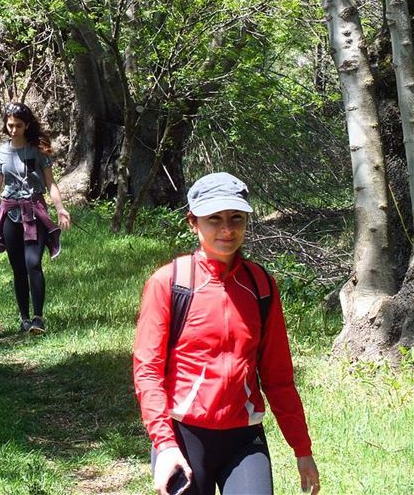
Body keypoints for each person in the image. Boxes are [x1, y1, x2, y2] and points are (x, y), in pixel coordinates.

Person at [133, 172, 320, 495]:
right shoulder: (170, 283)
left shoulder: (261, 286)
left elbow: (278, 377)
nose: (227, 229)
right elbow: (147, 371)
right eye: (214, 219)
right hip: (183, 436)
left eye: (236, 218)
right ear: (193, 222)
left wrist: (302, 449)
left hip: (243, 439)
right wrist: (164, 445)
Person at [0, 101, 71, 335]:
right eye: (10, 125)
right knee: (18, 267)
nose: (13, 130)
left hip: (34, 210)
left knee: (33, 263)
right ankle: (24, 318)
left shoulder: (37, 150)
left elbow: (50, 182)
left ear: (27, 125)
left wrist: (60, 209)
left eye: (18, 125)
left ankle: (38, 318)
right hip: (10, 213)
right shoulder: (0, 152)